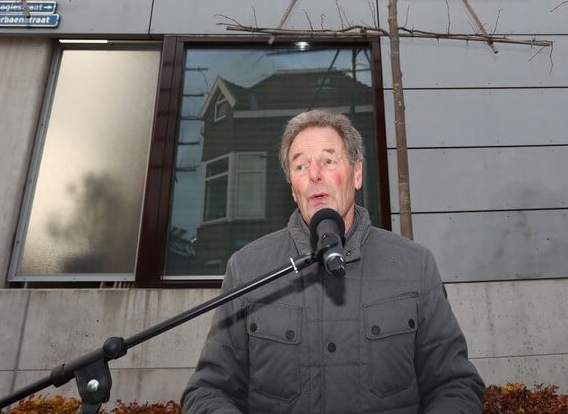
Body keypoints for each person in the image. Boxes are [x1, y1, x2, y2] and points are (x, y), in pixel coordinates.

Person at [182, 109, 485, 414]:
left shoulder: (415, 265)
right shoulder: (247, 268)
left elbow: (455, 384)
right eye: (300, 165)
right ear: (292, 188)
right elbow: (207, 391)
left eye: (328, 160)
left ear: (356, 174)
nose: (314, 174)